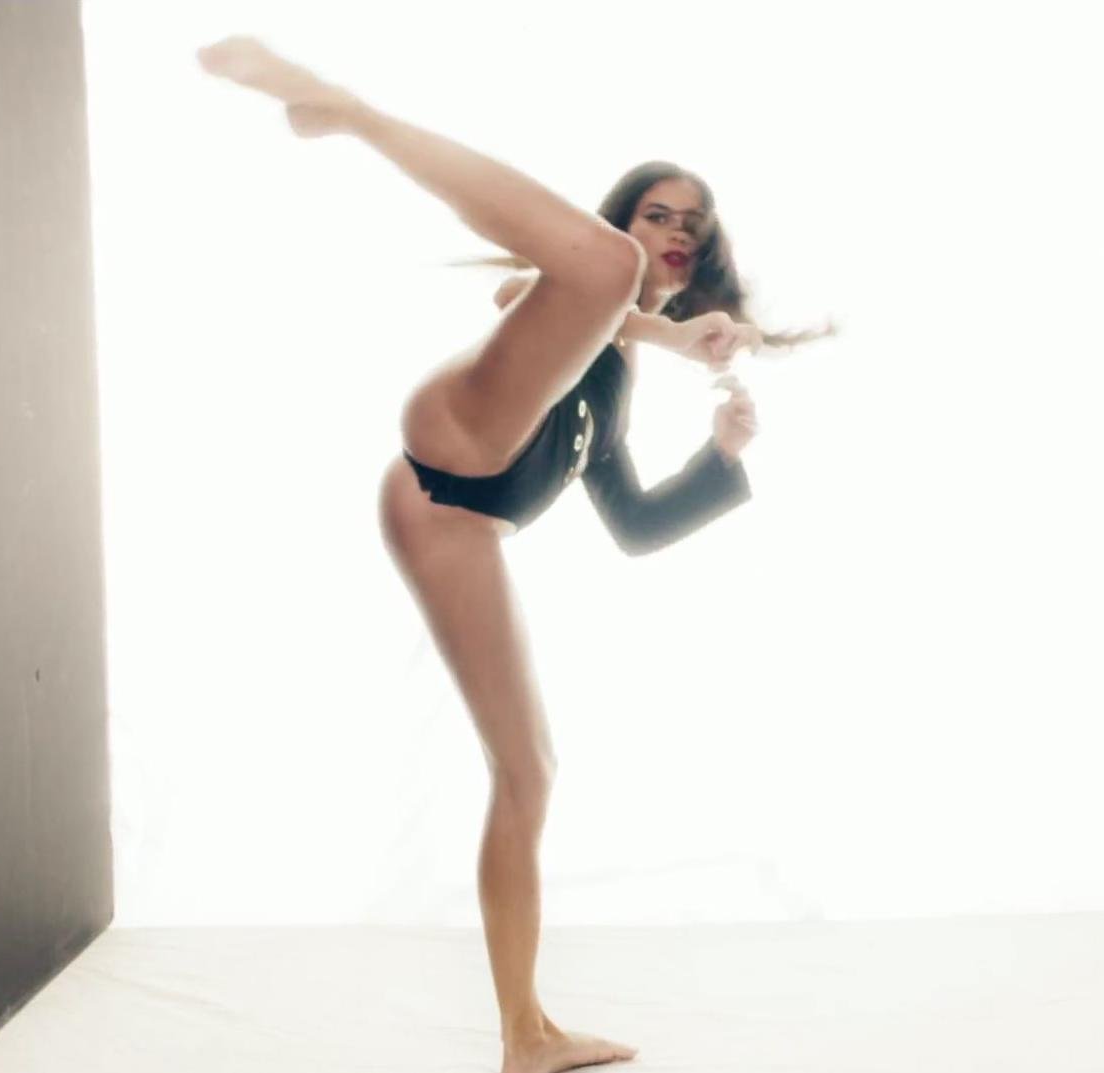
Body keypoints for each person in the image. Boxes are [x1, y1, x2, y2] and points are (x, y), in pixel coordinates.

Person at [198, 36, 831, 1073]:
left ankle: (526, 1033)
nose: (675, 232)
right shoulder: (592, 301)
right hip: (451, 445)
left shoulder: (611, 388)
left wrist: (720, 456)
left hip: (459, 517)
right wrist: (671, 335)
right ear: (625, 216)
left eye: (692, 223)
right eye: (657, 213)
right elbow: (522, 300)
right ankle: (348, 110)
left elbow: (636, 527)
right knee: (597, 275)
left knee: (529, 770)